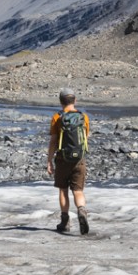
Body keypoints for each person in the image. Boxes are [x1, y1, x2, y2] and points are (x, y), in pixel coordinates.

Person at [47, 88, 90, 235]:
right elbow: (85, 137)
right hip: (79, 159)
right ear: (75, 101)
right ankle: (82, 211)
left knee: (63, 190)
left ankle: (65, 222)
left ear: (60, 102)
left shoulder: (57, 117)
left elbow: (53, 141)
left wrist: (49, 161)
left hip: (62, 159)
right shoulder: (83, 117)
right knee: (78, 190)